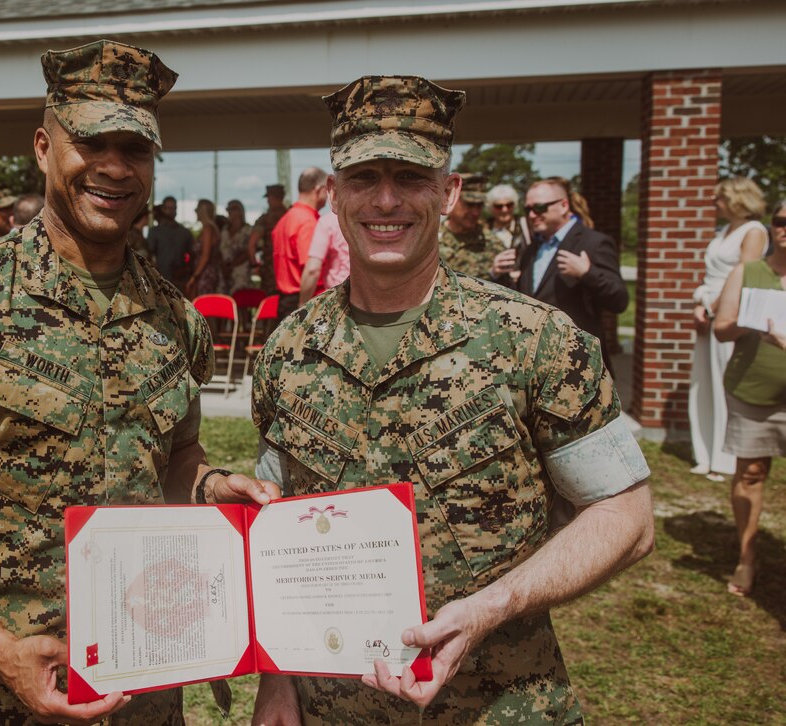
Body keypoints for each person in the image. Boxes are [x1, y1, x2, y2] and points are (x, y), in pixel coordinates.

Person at [0, 40, 276, 724]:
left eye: (134, 149)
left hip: (144, 688)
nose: (113, 166)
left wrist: (211, 487)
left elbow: (176, 463)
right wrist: (0, 652)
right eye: (91, 141)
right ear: (45, 146)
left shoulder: (178, 320)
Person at [246, 73, 654, 724]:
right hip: (328, 709)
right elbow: (276, 539)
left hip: (499, 706)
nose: (386, 200)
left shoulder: (534, 339)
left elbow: (626, 516)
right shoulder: (288, 350)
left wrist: (496, 605)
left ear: (448, 190)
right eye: (363, 177)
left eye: (410, 176)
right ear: (336, 193)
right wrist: (275, 677)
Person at [710, 199, 786, 597]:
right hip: (753, 390)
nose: (784, 229)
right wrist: (750, 321)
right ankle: (747, 555)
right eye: (780, 221)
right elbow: (721, 329)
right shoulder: (749, 271)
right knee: (751, 473)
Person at [689, 177, 769, 481]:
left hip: (728, 313)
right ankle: (705, 453)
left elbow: (743, 275)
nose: (713, 200)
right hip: (707, 308)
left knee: (725, 382)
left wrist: (713, 309)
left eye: (718, 196)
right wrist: (700, 305)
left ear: (736, 198)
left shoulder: (754, 231)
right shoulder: (724, 230)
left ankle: (725, 458)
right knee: (702, 383)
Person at [511, 176, 628, 375]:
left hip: (578, 364)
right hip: (536, 362)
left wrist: (587, 273)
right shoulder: (531, 250)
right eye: (527, 209)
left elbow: (619, 300)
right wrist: (498, 275)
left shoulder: (594, 243)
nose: (532, 215)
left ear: (564, 205)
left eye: (539, 208)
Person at [272, 167, 328, 320]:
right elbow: (311, 270)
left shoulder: (285, 219)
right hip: (304, 301)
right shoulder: (307, 222)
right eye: (327, 190)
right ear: (319, 189)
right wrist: (304, 306)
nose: (328, 196)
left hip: (285, 301)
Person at [437, 172, 506, 279]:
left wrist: (492, 274)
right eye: (469, 204)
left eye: (479, 205)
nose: (475, 212)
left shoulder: (492, 243)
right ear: (451, 198)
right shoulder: (430, 240)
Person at [297, 198, 349, 306]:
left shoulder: (328, 222)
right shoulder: (369, 221)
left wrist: (302, 305)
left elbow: (312, 269)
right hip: (370, 297)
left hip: (338, 298)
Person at [247, 183, 288, 294]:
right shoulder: (290, 215)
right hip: (289, 269)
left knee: (270, 305)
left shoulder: (265, 219)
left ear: (271, 198)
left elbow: (251, 244)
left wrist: (255, 265)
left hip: (270, 270)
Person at [146, 195, 193, 289]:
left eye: (173, 208)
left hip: (180, 281)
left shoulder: (185, 232)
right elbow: (149, 255)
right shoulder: (155, 231)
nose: (170, 211)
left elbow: (193, 255)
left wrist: (186, 270)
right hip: (159, 279)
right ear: (163, 209)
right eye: (167, 208)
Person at [187, 198, 224, 297]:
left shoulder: (208, 229)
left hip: (205, 274)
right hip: (206, 273)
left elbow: (205, 256)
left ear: (202, 211)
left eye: (197, 210)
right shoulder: (209, 229)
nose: (195, 212)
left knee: (202, 303)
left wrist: (194, 277)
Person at [219, 199, 253, 293]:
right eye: (228, 210)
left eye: (232, 209)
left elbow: (248, 252)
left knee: (240, 297)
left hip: (240, 273)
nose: (229, 212)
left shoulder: (247, 230)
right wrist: (224, 267)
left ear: (240, 211)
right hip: (224, 273)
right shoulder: (224, 230)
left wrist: (232, 265)